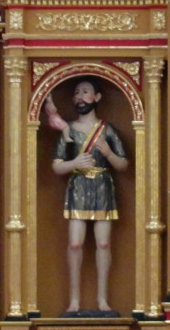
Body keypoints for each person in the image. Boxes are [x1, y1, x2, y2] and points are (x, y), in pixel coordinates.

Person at [48, 78, 129, 315]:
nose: (80, 97)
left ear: (97, 97)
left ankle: (102, 299)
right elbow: (56, 166)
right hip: (79, 187)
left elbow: (123, 163)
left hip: (103, 187)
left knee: (103, 243)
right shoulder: (69, 129)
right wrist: (74, 163)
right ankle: (74, 300)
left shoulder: (107, 130)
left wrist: (108, 153)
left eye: (85, 92)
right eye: (77, 92)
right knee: (75, 244)